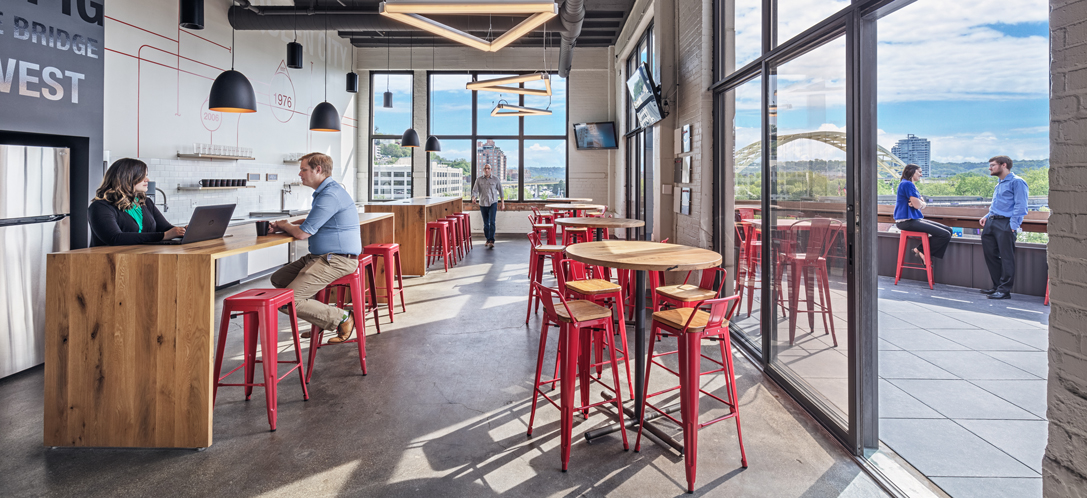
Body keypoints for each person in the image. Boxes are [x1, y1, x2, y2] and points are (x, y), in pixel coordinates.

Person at [268, 152, 362, 343]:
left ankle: (342, 318)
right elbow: (313, 220)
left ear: (318, 170)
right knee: (279, 279)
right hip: (321, 257)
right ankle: (320, 319)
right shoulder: (325, 193)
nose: (300, 174)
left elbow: (303, 233)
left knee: (288, 301)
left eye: (303, 169)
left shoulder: (330, 194)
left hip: (337, 260)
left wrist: (285, 225)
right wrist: (284, 225)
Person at [89, 158, 185, 246]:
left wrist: (185, 231)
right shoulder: (100, 206)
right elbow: (114, 238)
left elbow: (165, 228)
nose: (147, 179)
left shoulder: (146, 202)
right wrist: (163, 236)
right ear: (127, 178)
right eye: (142, 176)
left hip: (141, 257)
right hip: (111, 261)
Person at [979, 155, 1028, 300]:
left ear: (1004, 165)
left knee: (1006, 258)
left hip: (1006, 224)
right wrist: (987, 216)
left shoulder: (1017, 182)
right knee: (990, 255)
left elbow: (1021, 206)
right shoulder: (999, 183)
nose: (990, 168)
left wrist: (1013, 225)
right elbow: (999, 204)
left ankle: (1004, 291)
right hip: (991, 223)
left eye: (993, 165)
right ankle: (996, 287)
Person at [893, 164, 953, 265]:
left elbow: (918, 203)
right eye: (919, 172)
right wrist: (921, 204)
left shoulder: (908, 184)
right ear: (911, 172)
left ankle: (920, 250)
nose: (921, 175)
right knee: (945, 234)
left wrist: (920, 203)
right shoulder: (908, 184)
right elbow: (918, 205)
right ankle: (922, 251)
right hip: (907, 221)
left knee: (949, 230)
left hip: (912, 219)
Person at [471, 163, 505, 248]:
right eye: (485, 168)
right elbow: (474, 190)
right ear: (483, 170)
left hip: (493, 203)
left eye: (488, 168)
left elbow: (501, 191)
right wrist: (473, 197)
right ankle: (487, 239)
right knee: (486, 224)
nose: (487, 170)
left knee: (492, 222)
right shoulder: (479, 180)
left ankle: (491, 240)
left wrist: (502, 203)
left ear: (491, 170)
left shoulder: (495, 179)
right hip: (483, 203)